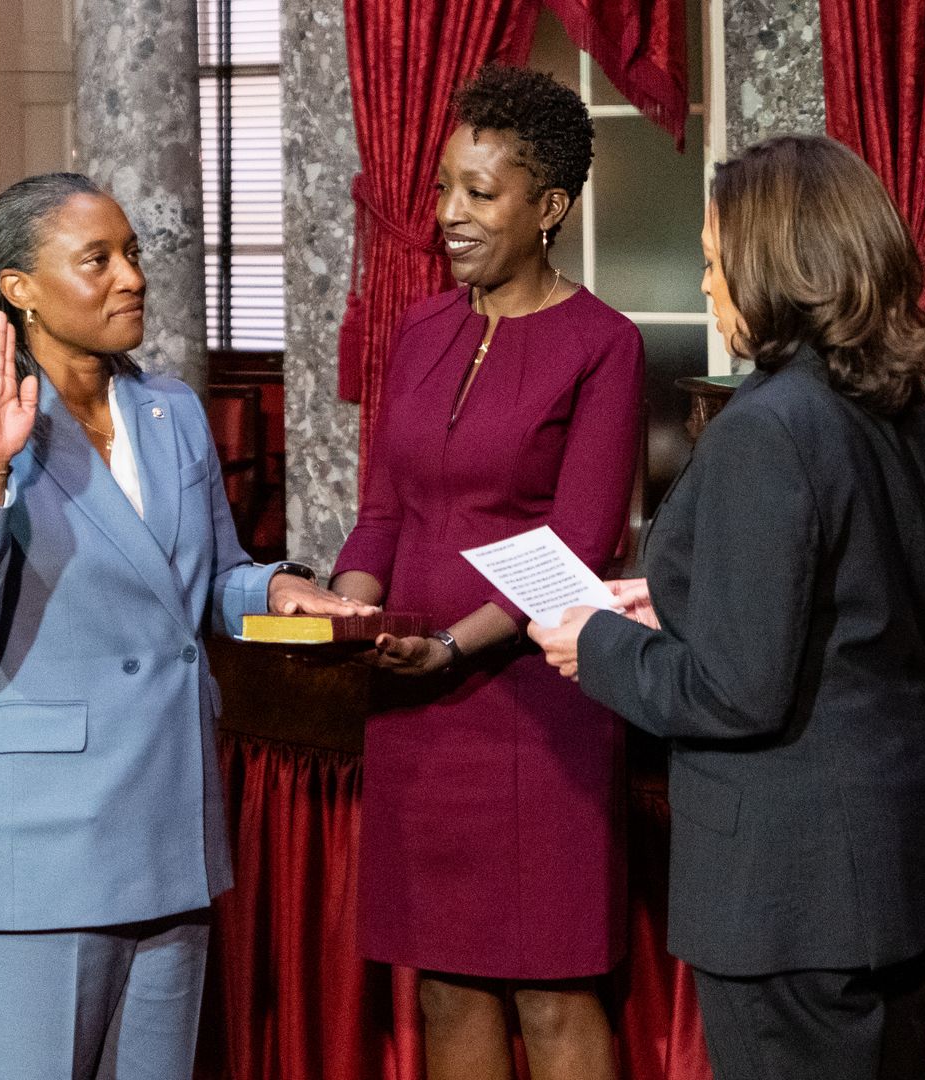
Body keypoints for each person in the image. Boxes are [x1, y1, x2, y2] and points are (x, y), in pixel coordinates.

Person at [528, 134, 925, 1080]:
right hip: (895, 874)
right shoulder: (904, 409)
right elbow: (891, 625)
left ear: (777, 267)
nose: (705, 288)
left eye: (711, 263)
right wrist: (679, 593)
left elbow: (737, 693)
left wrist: (597, 645)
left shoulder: (768, 428)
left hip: (792, 896)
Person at [0, 172, 369, 1080]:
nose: (131, 276)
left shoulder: (175, 414)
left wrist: (273, 590)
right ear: (19, 289)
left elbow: (207, 579)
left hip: (169, 825)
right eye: (97, 259)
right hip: (42, 846)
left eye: (133, 254)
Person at [329, 65, 644, 1080]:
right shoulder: (419, 327)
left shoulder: (605, 346)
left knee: (554, 992)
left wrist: (454, 645)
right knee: (443, 983)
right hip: (412, 704)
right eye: (440, 189)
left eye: (479, 193)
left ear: (548, 207)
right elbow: (383, 509)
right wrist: (349, 611)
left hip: (537, 704)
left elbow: (581, 543)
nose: (448, 216)